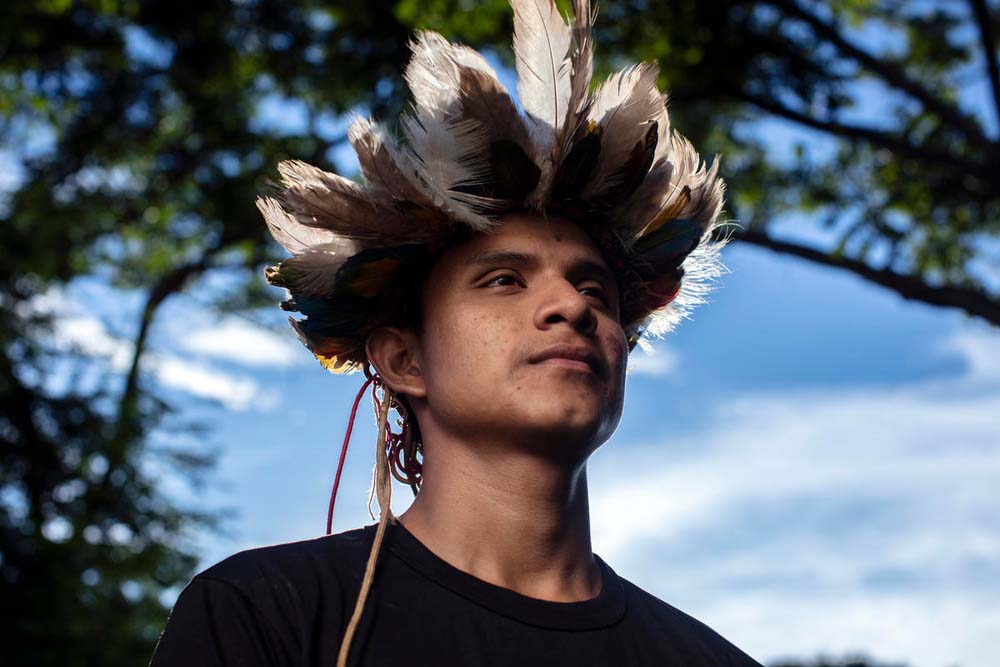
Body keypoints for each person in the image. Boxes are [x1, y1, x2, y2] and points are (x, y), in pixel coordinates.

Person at [151, 1, 761, 665]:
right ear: (404, 359)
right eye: (504, 279)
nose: (572, 306)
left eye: (595, 290)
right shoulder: (265, 613)